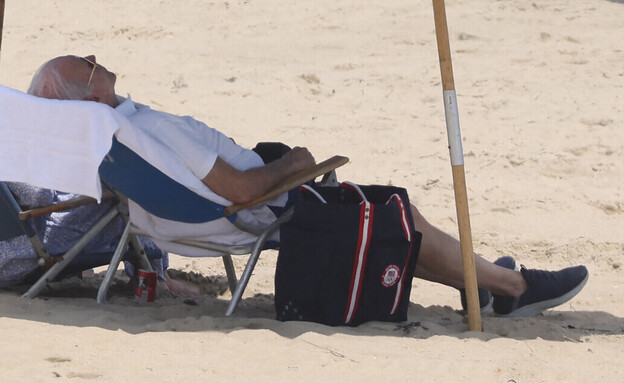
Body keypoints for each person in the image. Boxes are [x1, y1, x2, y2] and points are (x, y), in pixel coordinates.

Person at [24, 54, 589, 317]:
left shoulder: (104, 142)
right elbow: (243, 190)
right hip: (249, 213)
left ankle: (480, 284)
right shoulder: (144, 131)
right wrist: (294, 163)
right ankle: (511, 289)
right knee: (394, 213)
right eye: (87, 66)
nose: (98, 61)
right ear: (91, 95)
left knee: (388, 215)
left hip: (185, 220)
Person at [0, 182, 199, 296]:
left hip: (16, 248)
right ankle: (151, 275)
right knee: (126, 187)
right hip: (22, 252)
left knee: (115, 190)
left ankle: (153, 272)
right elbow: (39, 196)